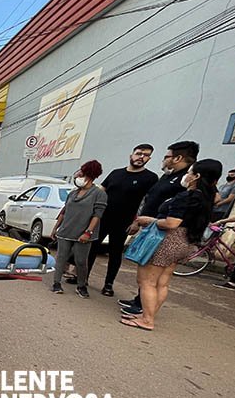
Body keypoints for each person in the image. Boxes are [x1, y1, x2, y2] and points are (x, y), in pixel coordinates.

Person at [121, 159, 218, 331]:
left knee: (147, 281)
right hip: (186, 242)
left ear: (196, 176)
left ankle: (147, 319)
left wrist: (149, 220)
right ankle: (147, 315)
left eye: (190, 172)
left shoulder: (186, 197)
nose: (186, 176)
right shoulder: (207, 198)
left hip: (168, 240)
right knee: (162, 283)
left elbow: (172, 223)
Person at [119, 141, 199, 317]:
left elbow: (176, 214)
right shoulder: (168, 176)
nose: (164, 160)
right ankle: (141, 302)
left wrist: (151, 221)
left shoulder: (185, 181)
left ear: (178, 158)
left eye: (167, 156)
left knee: (151, 278)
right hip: (152, 227)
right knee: (149, 276)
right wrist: (139, 221)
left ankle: (145, 311)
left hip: (163, 232)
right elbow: (150, 200)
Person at [85, 144, 158, 296]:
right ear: (131, 155)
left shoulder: (150, 178)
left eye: (145, 155)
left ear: (149, 159)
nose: (141, 157)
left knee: (115, 253)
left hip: (124, 222)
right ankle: (83, 278)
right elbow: (101, 193)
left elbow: (148, 202)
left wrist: (137, 222)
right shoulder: (116, 173)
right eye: (138, 153)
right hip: (103, 218)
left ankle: (108, 284)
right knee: (92, 249)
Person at [50, 160, 107, 298]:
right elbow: (64, 211)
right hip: (65, 231)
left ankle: (81, 285)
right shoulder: (73, 193)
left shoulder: (99, 194)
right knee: (61, 258)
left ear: (89, 174)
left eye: (82, 172)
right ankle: (56, 283)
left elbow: (97, 215)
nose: (78, 174)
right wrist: (55, 228)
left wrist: (88, 232)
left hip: (83, 234)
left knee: (81, 261)